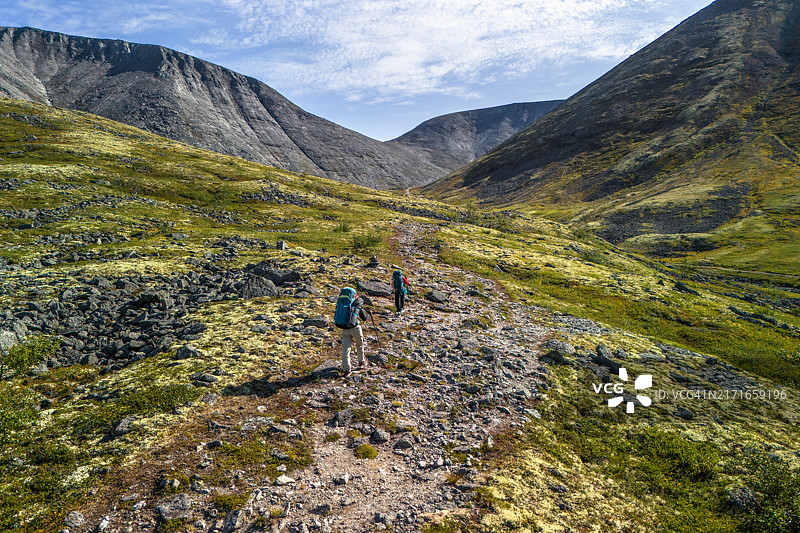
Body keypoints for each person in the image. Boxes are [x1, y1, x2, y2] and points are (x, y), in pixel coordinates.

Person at [341, 297, 368, 377]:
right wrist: (368, 314)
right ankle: (361, 362)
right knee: (359, 344)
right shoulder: (357, 305)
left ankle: (347, 370)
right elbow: (364, 318)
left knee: (346, 349)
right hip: (355, 328)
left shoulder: (342, 304)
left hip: (344, 329)